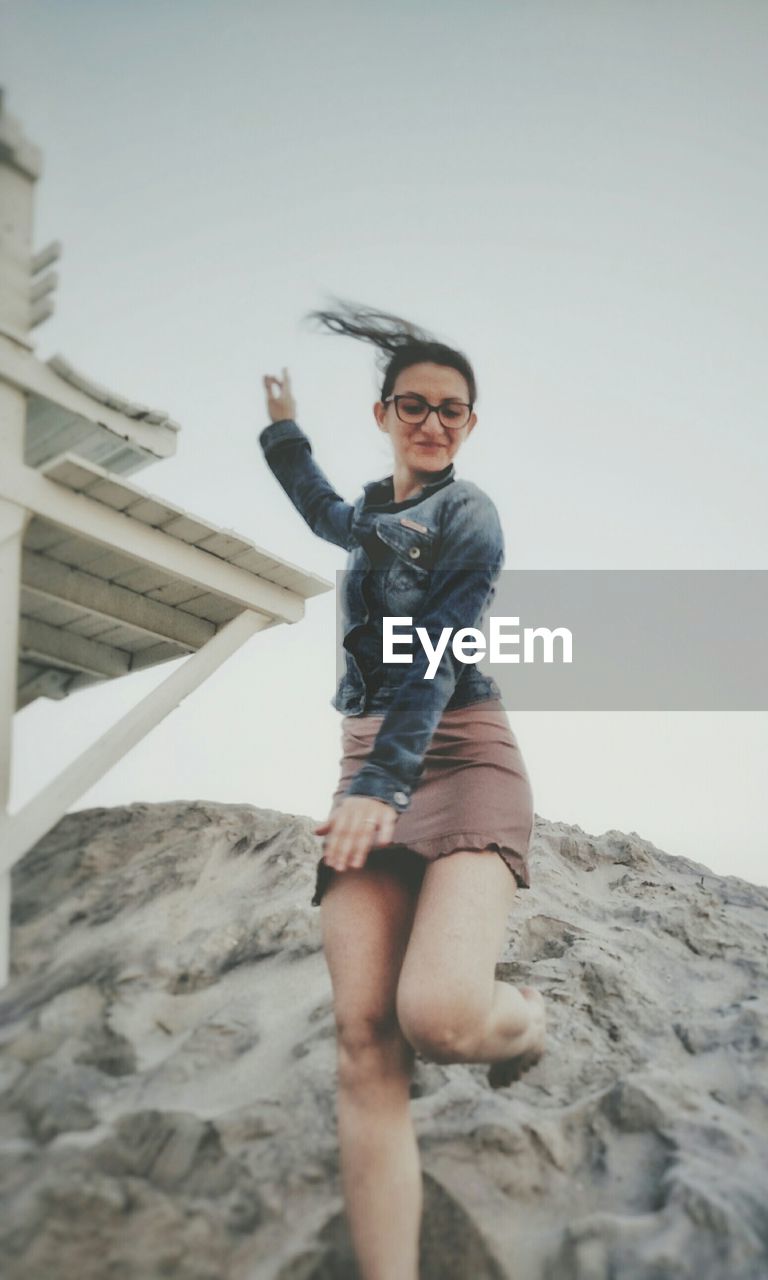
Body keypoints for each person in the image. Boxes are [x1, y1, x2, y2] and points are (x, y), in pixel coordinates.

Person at [259, 300, 547, 1280]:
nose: (433, 422)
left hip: (460, 759)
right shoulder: (371, 516)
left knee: (441, 1017)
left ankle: (530, 1019)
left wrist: (385, 780)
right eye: (414, 406)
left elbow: (439, 647)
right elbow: (321, 508)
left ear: (469, 424)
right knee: (363, 1039)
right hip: (366, 764)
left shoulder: (470, 516)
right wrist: (282, 429)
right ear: (385, 411)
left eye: (452, 410)